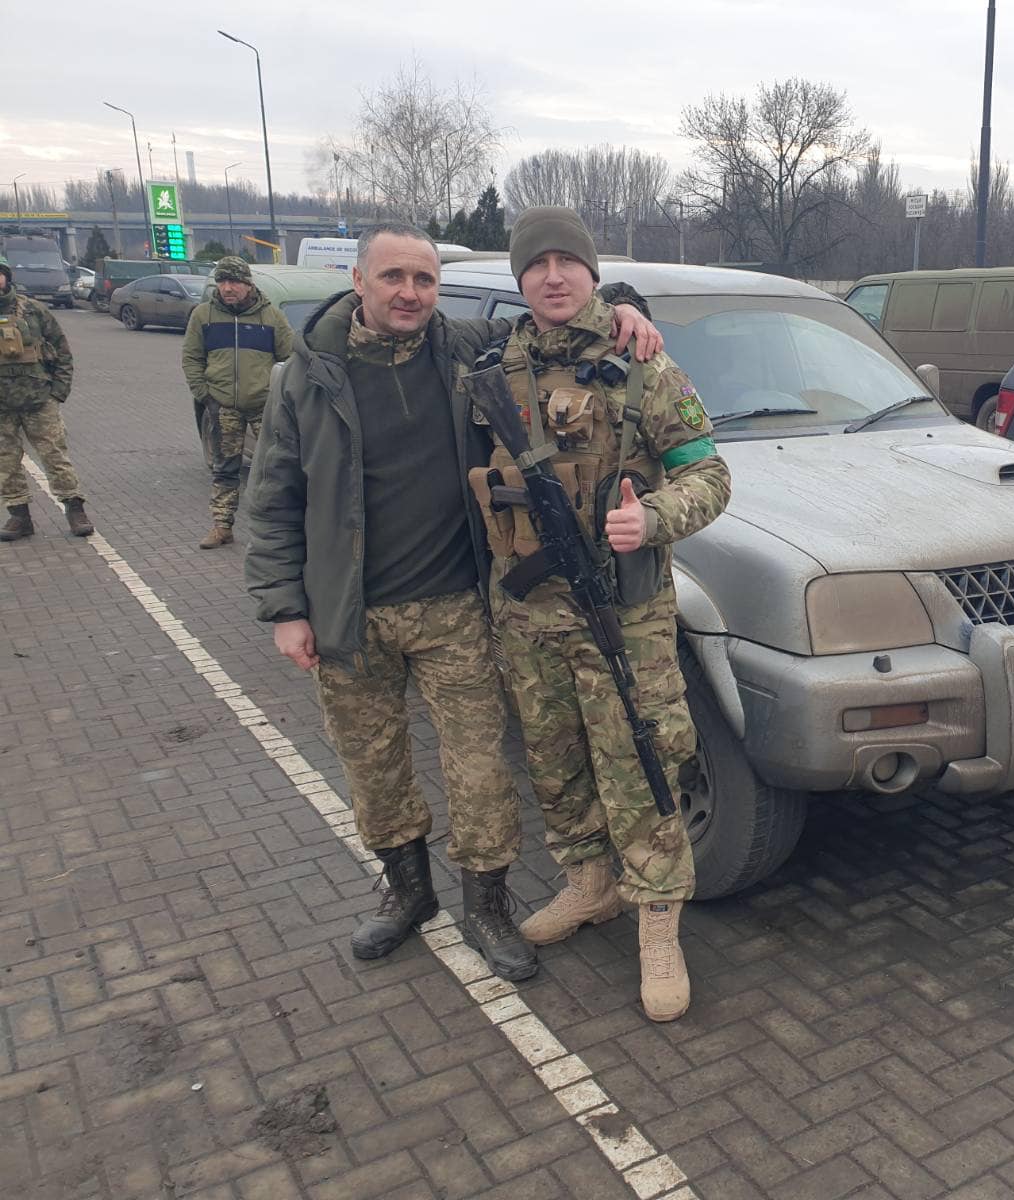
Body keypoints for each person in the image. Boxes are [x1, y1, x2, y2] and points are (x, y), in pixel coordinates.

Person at [244, 222, 662, 981]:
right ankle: (407, 895)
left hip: (454, 607)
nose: (410, 294)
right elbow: (272, 501)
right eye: (394, 278)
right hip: (348, 614)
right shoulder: (304, 378)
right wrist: (285, 609)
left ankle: (487, 906)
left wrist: (626, 300)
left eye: (425, 280)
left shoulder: (467, 349)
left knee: (480, 772)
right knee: (376, 770)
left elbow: (557, 313)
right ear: (360, 282)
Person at [470, 206, 730, 1022]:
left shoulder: (644, 366)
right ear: (519, 278)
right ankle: (589, 883)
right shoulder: (490, 365)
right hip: (527, 615)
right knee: (552, 759)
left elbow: (711, 475)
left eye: (568, 262)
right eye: (536, 263)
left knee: (644, 761)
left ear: (591, 272)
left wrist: (652, 518)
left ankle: (658, 920)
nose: (553, 275)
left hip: (624, 615)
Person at [181, 256, 293, 549]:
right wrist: (204, 394)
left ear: (248, 283)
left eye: (235, 282)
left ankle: (279, 529)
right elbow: (191, 358)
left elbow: (290, 358)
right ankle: (222, 526)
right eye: (223, 281)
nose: (228, 288)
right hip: (223, 406)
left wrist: (278, 395)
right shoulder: (203, 316)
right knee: (225, 468)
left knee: (277, 467)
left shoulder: (270, 317)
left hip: (263, 407)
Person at [0, 257, 92, 540]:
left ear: (6, 277)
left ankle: (75, 510)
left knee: (55, 456)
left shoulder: (33, 310)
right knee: (5, 462)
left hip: (39, 400)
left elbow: (62, 352)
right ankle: (19, 516)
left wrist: (58, 392)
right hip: (2, 406)